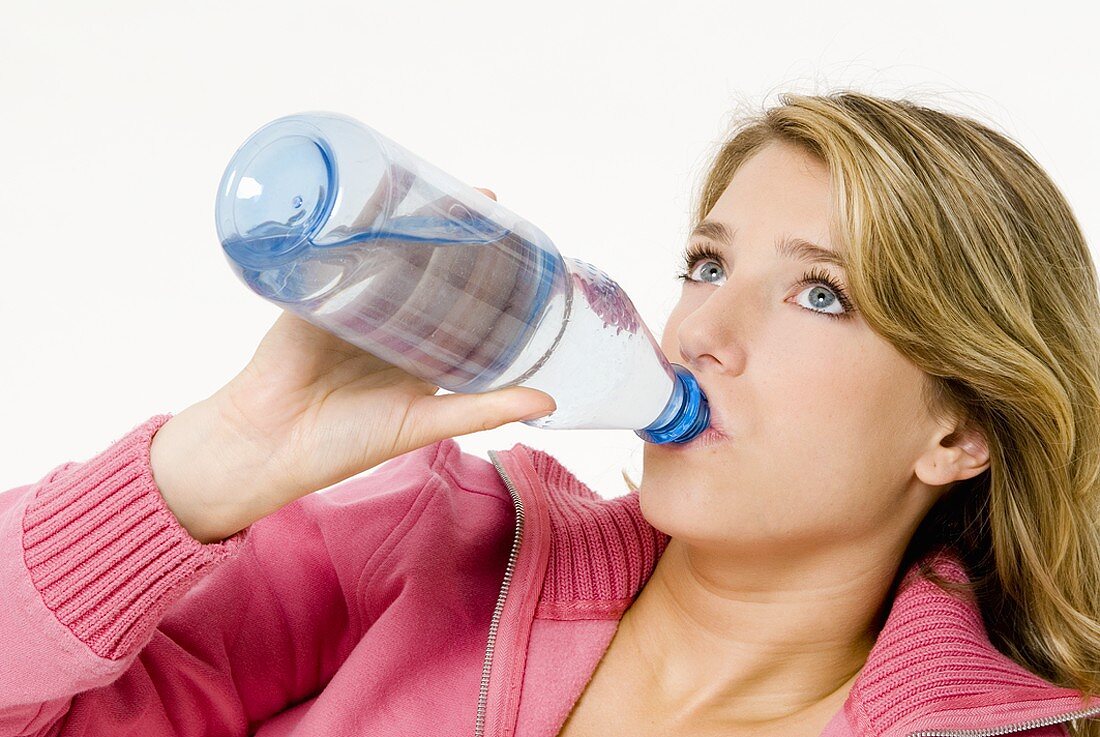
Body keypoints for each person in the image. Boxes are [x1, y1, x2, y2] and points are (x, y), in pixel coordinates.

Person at [2, 90, 1098, 737]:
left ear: (957, 432)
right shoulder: (430, 547)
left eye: (822, 293)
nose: (699, 331)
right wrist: (219, 456)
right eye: (705, 263)